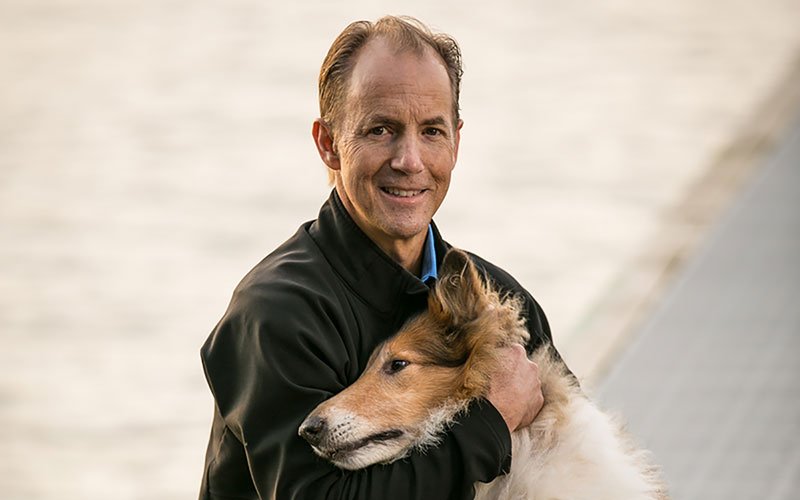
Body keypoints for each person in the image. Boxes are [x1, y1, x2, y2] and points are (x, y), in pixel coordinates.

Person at [199, 15, 568, 499]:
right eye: (381, 130)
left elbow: (571, 457)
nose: (409, 160)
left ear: (457, 140)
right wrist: (490, 422)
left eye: (432, 131)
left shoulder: (502, 300)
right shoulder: (276, 312)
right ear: (329, 144)